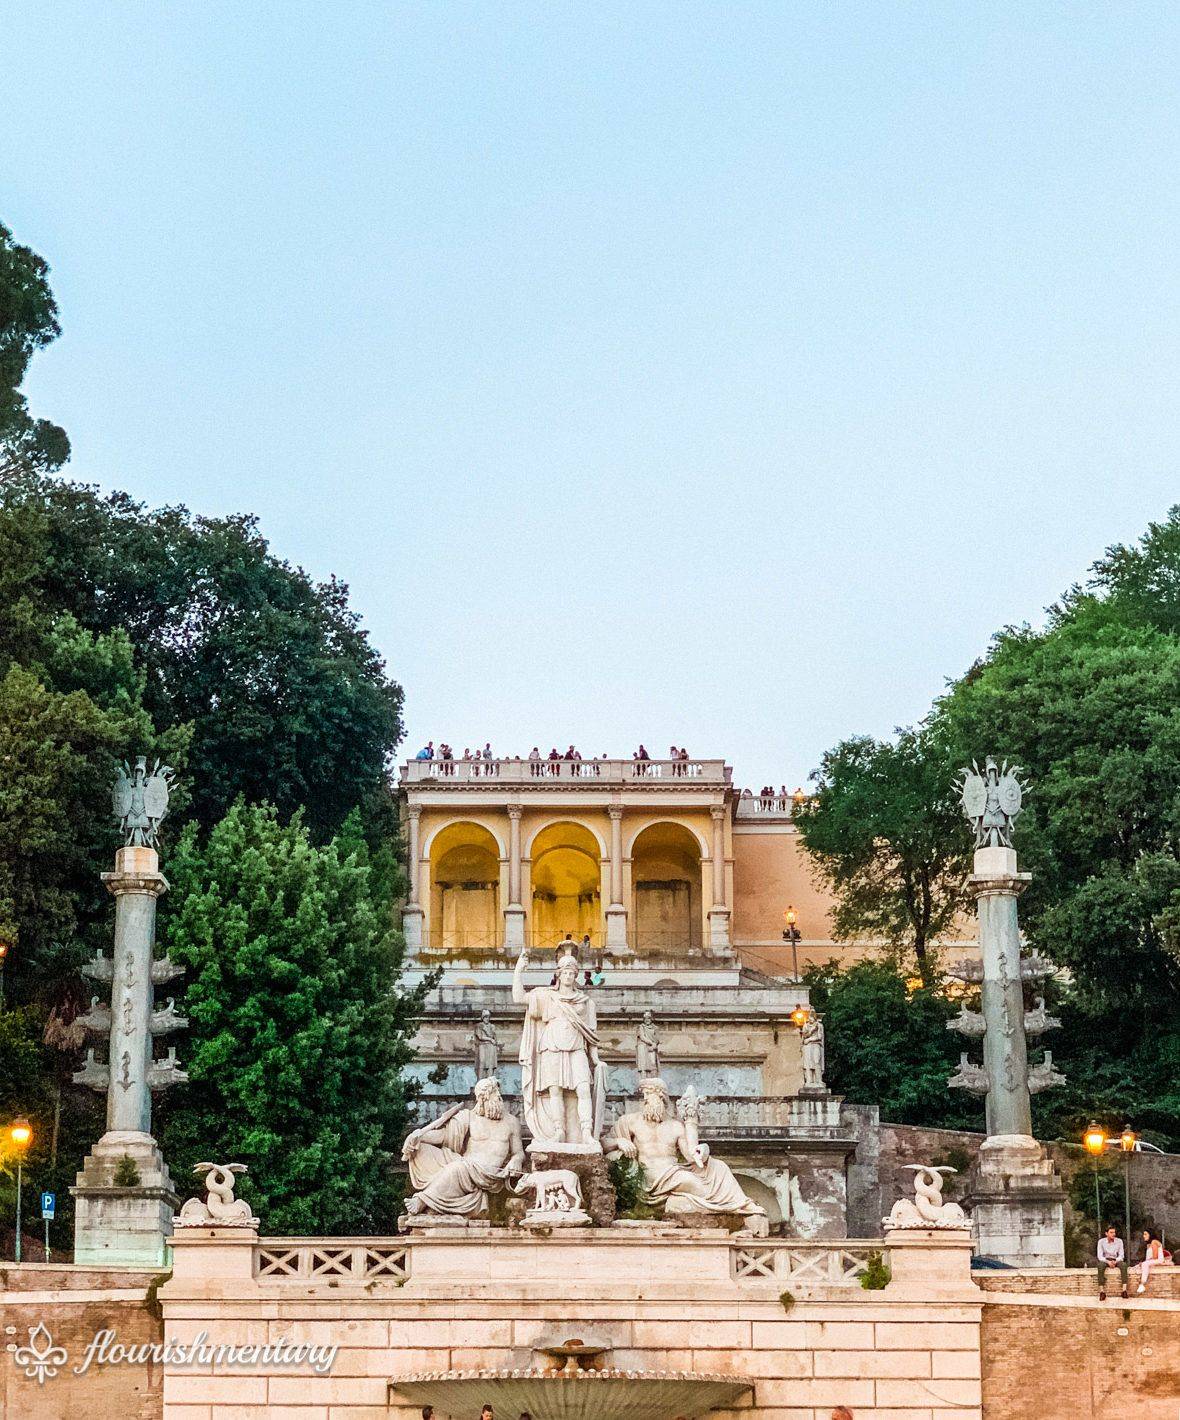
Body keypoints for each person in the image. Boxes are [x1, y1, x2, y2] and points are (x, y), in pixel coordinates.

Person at [1097, 1224, 1129, 1300]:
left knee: (1124, 1265)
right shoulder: (1101, 1242)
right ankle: (1102, 1292)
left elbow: (1121, 1255)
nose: (1113, 1234)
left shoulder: (1119, 1241)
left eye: (1114, 1232)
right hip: (1105, 1259)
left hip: (1116, 1259)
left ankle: (1124, 1290)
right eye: (1111, 1232)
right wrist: (1108, 1262)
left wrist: (1115, 1261)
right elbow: (1100, 1256)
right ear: (1106, 1233)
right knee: (1100, 1266)